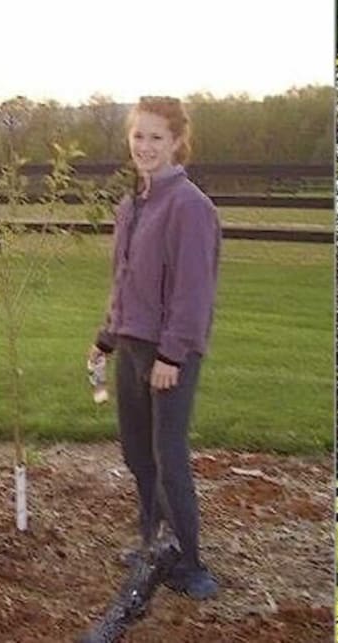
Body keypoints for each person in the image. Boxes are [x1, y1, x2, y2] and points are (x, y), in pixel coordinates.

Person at [90, 96, 222, 600]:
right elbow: (124, 280)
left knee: (168, 455)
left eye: (156, 138)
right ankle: (153, 541)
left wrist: (172, 355)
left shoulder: (189, 207)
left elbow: (193, 291)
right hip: (131, 344)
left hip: (169, 354)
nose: (144, 146)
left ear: (176, 142)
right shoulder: (132, 205)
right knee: (137, 451)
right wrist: (107, 334)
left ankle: (189, 562)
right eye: (138, 136)